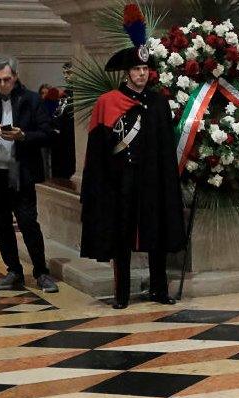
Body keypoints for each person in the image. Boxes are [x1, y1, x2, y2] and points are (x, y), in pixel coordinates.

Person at [79, 21, 185, 308]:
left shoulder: (159, 103)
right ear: (126, 73)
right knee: (121, 238)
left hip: (152, 179)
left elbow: (165, 148)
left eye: (145, 69)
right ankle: (122, 294)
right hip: (120, 182)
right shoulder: (108, 102)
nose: (142, 74)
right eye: (137, 70)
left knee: (156, 234)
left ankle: (159, 290)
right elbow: (98, 151)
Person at [0, 54, 58, 293]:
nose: (3, 85)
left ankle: (41, 272)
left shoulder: (31, 100)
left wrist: (23, 136)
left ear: (16, 77)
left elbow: (48, 134)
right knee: (1, 224)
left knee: (28, 222)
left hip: (22, 171)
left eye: (7, 79)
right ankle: (14, 271)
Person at [50, 62, 75, 181]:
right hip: (60, 137)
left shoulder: (80, 93)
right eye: (64, 73)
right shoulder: (66, 93)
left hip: (72, 138)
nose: (66, 76)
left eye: (69, 73)